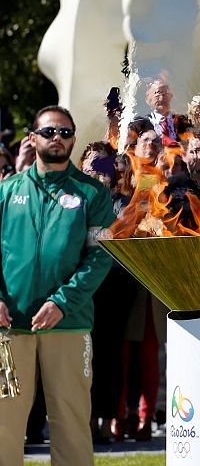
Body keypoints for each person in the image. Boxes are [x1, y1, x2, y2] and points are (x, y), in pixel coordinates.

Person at [0, 106, 115, 466]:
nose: (58, 139)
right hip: (9, 327)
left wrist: (62, 303)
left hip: (68, 322)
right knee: (3, 423)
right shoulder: (6, 191)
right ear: (32, 138)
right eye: (50, 132)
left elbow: (101, 257)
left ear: (73, 139)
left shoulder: (93, 194)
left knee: (71, 425)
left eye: (66, 133)